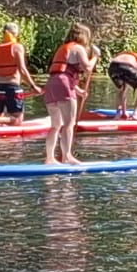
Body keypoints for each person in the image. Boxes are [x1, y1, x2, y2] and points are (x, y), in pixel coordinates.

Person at [42, 23, 94, 166]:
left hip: (51, 84)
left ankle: (50, 158)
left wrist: (78, 91)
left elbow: (62, 73)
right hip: (63, 85)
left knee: (55, 125)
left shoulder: (62, 48)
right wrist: (95, 56)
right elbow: (88, 67)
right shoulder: (78, 48)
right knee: (69, 123)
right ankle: (67, 156)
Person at [0, 22, 40, 126]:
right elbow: (22, 70)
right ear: (16, 34)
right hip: (12, 87)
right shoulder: (17, 47)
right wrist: (33, 86)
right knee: (17, 120)